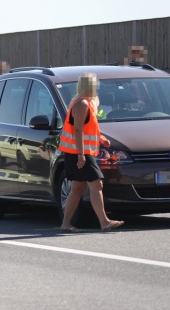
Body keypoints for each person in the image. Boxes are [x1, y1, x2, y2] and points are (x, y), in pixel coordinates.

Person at [58, 73, 124, 232]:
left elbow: (86, 128)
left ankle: (66, 224)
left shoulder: (84, 102)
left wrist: (100, 138)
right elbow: (78, 130)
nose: (96, 89)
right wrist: (81, 154)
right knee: (96, 184)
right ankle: (104, 221)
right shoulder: (83, 104)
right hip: (79, 153)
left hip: (77, 152)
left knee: (77, 188)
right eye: (94, 86)